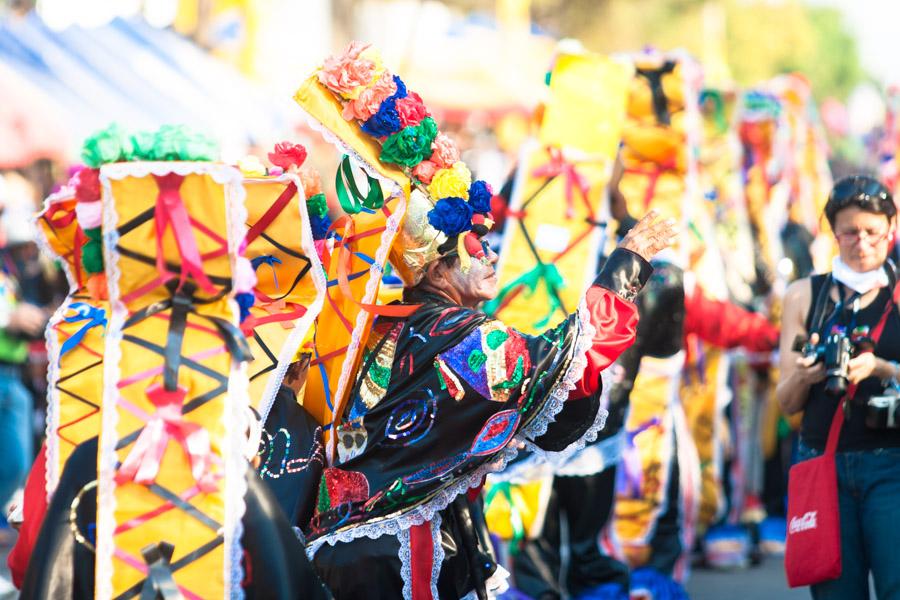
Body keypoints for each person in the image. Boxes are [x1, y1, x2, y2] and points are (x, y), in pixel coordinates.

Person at [305, 183, 677, 597]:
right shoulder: (458, 336)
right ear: (438, 272)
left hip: (357, 545)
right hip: (395, 551)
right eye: (475, 247)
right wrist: (626, 265)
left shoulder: (399, 325)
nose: (493, 254)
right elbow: (571, 355)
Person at [777, 175, 900, 599]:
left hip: (891, 463)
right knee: (835, 592)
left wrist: (883, 367)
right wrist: (807, 375)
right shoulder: (803, 296)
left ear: (891, 230)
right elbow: (785, 402)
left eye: (872, 232)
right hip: (822, 464)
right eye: (850, 232)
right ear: (834, 234)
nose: (862, 243)